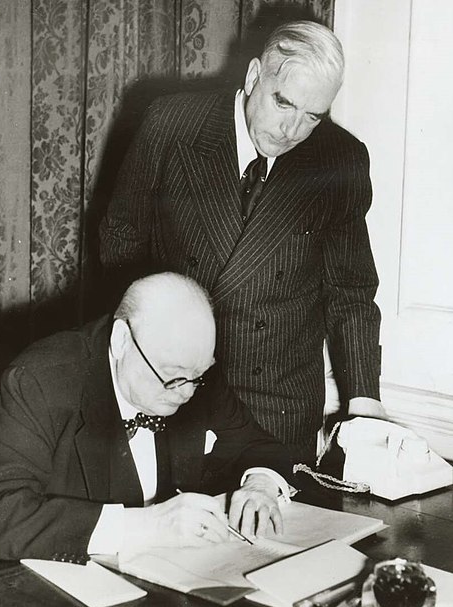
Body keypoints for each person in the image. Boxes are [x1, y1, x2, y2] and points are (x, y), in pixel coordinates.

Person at [99, 20, 387, 465]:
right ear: (254, 76)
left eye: (312, 116)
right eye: (283, 102)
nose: (292, 130)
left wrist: (365, 399)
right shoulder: (173, 123)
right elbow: (121, 236)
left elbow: (350, 290)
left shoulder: (339, 158)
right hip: (178, 390)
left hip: (279, 407)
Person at [0, 272, 293, 564]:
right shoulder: (39, 382)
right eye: (172, 378)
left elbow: (258, 444)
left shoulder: (189, 368)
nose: (187, 393)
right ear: (121, 340)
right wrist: (147, 526)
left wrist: (260, 485)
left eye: (198, 377)